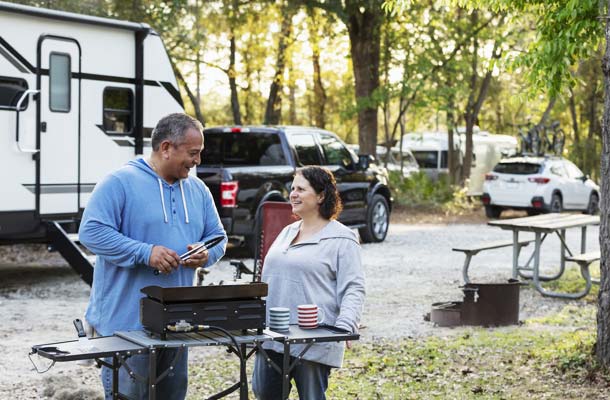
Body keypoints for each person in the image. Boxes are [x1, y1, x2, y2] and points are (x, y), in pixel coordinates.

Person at [79, 113, 227, 400]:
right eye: (193, 153)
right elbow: (91, 232)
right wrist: (145, 253)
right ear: (166, 147)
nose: (197, 161)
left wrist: (205, 253)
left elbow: (218, 237)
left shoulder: (198, 190)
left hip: (177, 325)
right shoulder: (119, 182)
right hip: (126, 328)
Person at [251, 166, 366, 400]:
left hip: (313, 338)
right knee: (264, 393)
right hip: (273, 333)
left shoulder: (342, 239)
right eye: (292, 188)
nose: (293, 194)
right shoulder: (287, 232)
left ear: (321, 196)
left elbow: (353, 287)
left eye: (301, 189)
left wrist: (345, 326)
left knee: (311, 396)